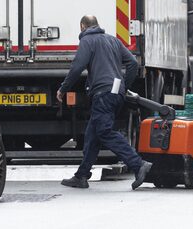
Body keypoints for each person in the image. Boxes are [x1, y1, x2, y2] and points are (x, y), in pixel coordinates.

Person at [56, 15, 153, 190]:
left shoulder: (87, 40)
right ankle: (82, 175)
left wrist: (63, 89)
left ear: (82, 26)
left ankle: (138, 164)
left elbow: (77, 67)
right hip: (114, 92)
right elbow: (132, 63)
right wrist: (124, 85)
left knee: (105, 132)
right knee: (93, 135)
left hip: (102, 93)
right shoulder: (113, 40)